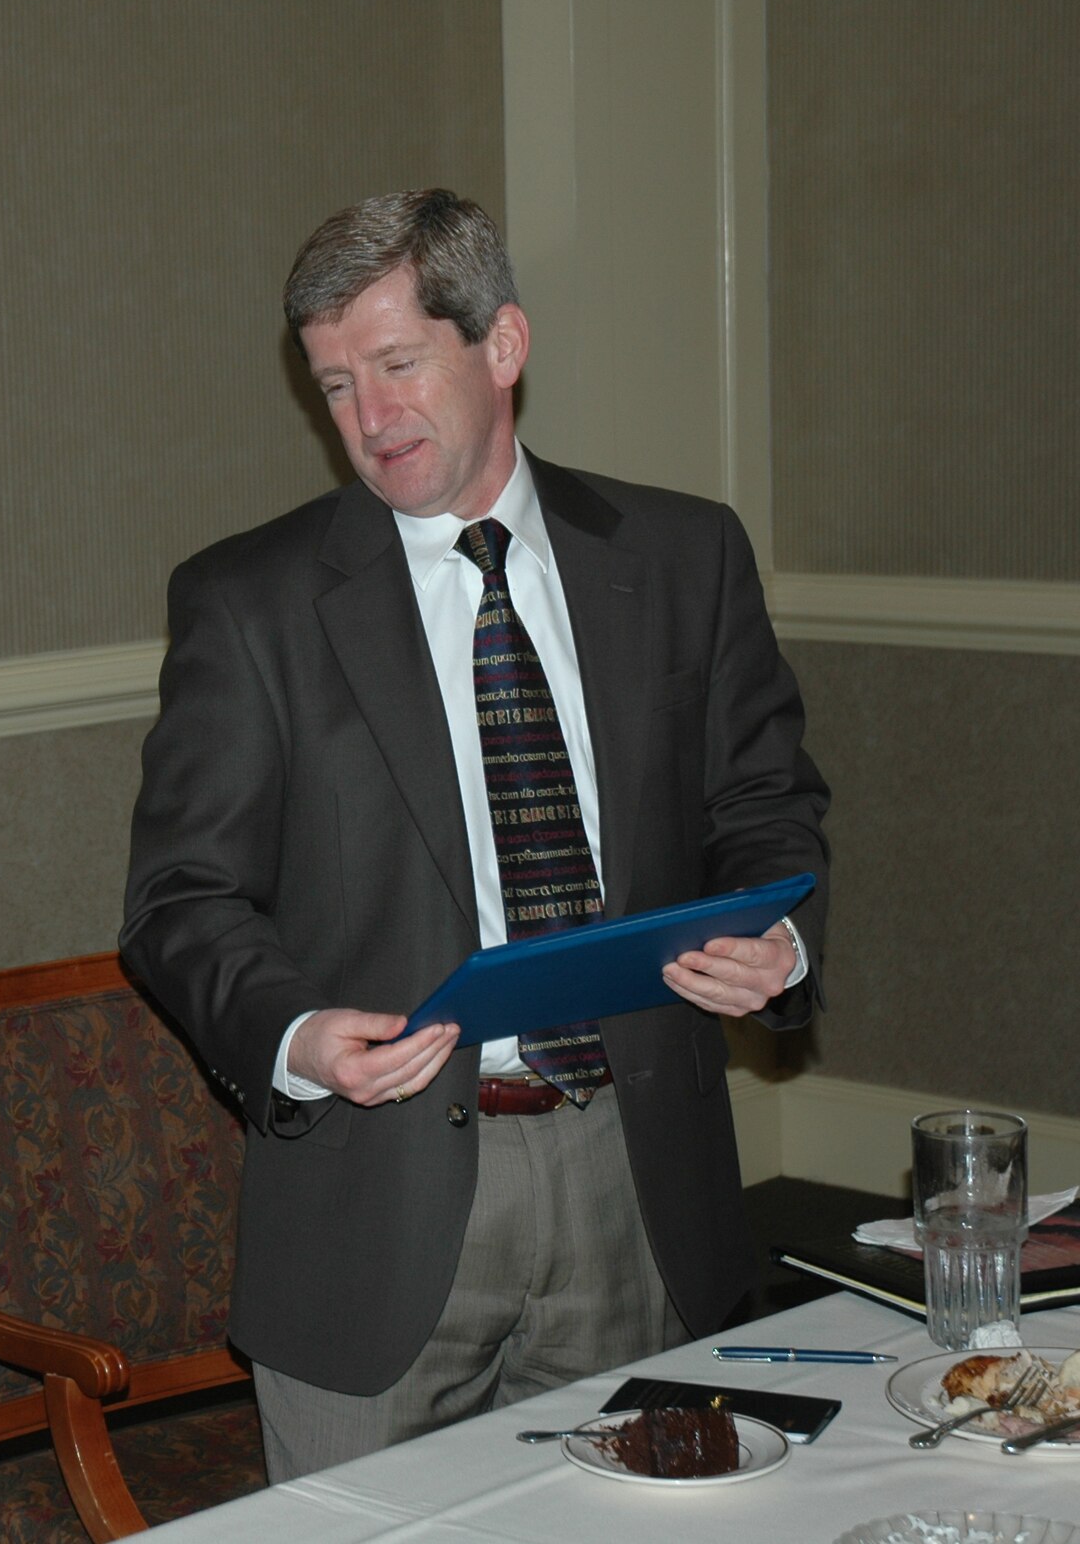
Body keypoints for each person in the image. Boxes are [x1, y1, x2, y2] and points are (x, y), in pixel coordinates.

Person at [120, 189, 829, 1481]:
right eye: (334, 384)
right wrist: (291, 1033)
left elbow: (764, 806)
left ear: (500, 344)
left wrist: (771, 934)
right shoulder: (250, 602)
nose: (370, 418)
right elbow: (182, 898)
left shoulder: (681, 555)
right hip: (373, 1193)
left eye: (397, 365)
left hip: (636, 1171)